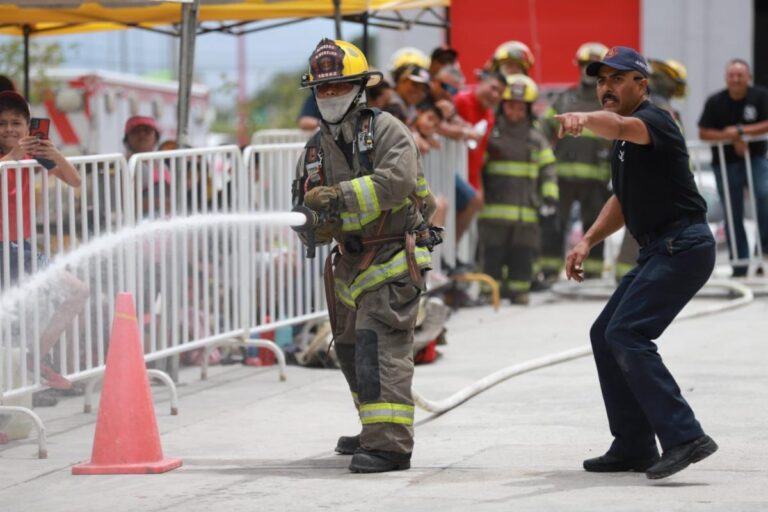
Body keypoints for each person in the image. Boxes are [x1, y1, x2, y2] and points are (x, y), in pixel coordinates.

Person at [557, 46, 718, 480]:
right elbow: (622, 200)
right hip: (658, 248)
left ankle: (685, 437)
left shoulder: (655, 121)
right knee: (604, 333)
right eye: (601, 81)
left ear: (640, 85)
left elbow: (621, 124)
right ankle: (634, 444)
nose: (606, 88)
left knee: (627, 333)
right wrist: (587, 240)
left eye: (616, 79)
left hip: (683, 244)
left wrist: (585, 119)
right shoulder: (625, 144)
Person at [292, 38, 436, 473]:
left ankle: (390, 446)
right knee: (351, 349)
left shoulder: (388, 129)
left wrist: (336, 197)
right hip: (349, 267)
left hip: (392, 256)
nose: (329, 96)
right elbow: (306, 213)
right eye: (322, 90)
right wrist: (310, 221)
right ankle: (374, 426)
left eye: (338, 87)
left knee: (379, 346)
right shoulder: (314, 150)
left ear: (359, 87)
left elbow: (395, 183)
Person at [0, 90, 89, 391]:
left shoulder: (32, 154)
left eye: (16, 122)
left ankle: (34, 358)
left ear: (28, 127)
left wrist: (54, 154)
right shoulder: (10, 156)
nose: (9, 129)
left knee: (76, 291)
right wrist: (10, 158)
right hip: (4, 248)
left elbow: (75, 180)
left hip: (18, 247)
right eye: (2, 123)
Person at [479, 74, 557, 305]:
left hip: (526, 213)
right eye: (510, 106)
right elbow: (478, 167)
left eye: (520, 108)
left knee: (522, 255)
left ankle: (519, 292)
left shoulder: (536, 138)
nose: (515, 112)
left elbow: (548, 168)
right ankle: (489, 292)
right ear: (502, 107)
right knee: (492, 253)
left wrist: (550, 197)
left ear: (529, 109)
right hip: (493, 212)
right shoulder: (492, 134)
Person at [541, 42, 612, 282]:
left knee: (596, 226)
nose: (588, 70)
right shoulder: (564, 99)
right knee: (554, 224)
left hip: (598, 178)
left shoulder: (610, 102)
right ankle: (550, 271)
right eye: (585, 65)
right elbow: (542, 127)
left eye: (594, 66)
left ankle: (592, 273)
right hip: (562, 177)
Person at [614, 57, 690, 280]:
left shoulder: (656, 107)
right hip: (654, 179)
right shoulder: (658, 109)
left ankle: (636, 274)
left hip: (659, 179)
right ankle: (630, 276)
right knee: (641, 226)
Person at [698, 59, 768, 276]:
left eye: (740, 75)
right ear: (726, 78)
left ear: (749, 77)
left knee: (764, 195)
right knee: (732, 211)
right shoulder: (716, 101)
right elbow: (703, 132)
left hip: (755, 159)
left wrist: (739, 132)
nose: (736, 79)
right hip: (725, 164)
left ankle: (764, 250)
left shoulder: (760, 96)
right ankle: (740, 264)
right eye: (732, 75)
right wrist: (728, 136)